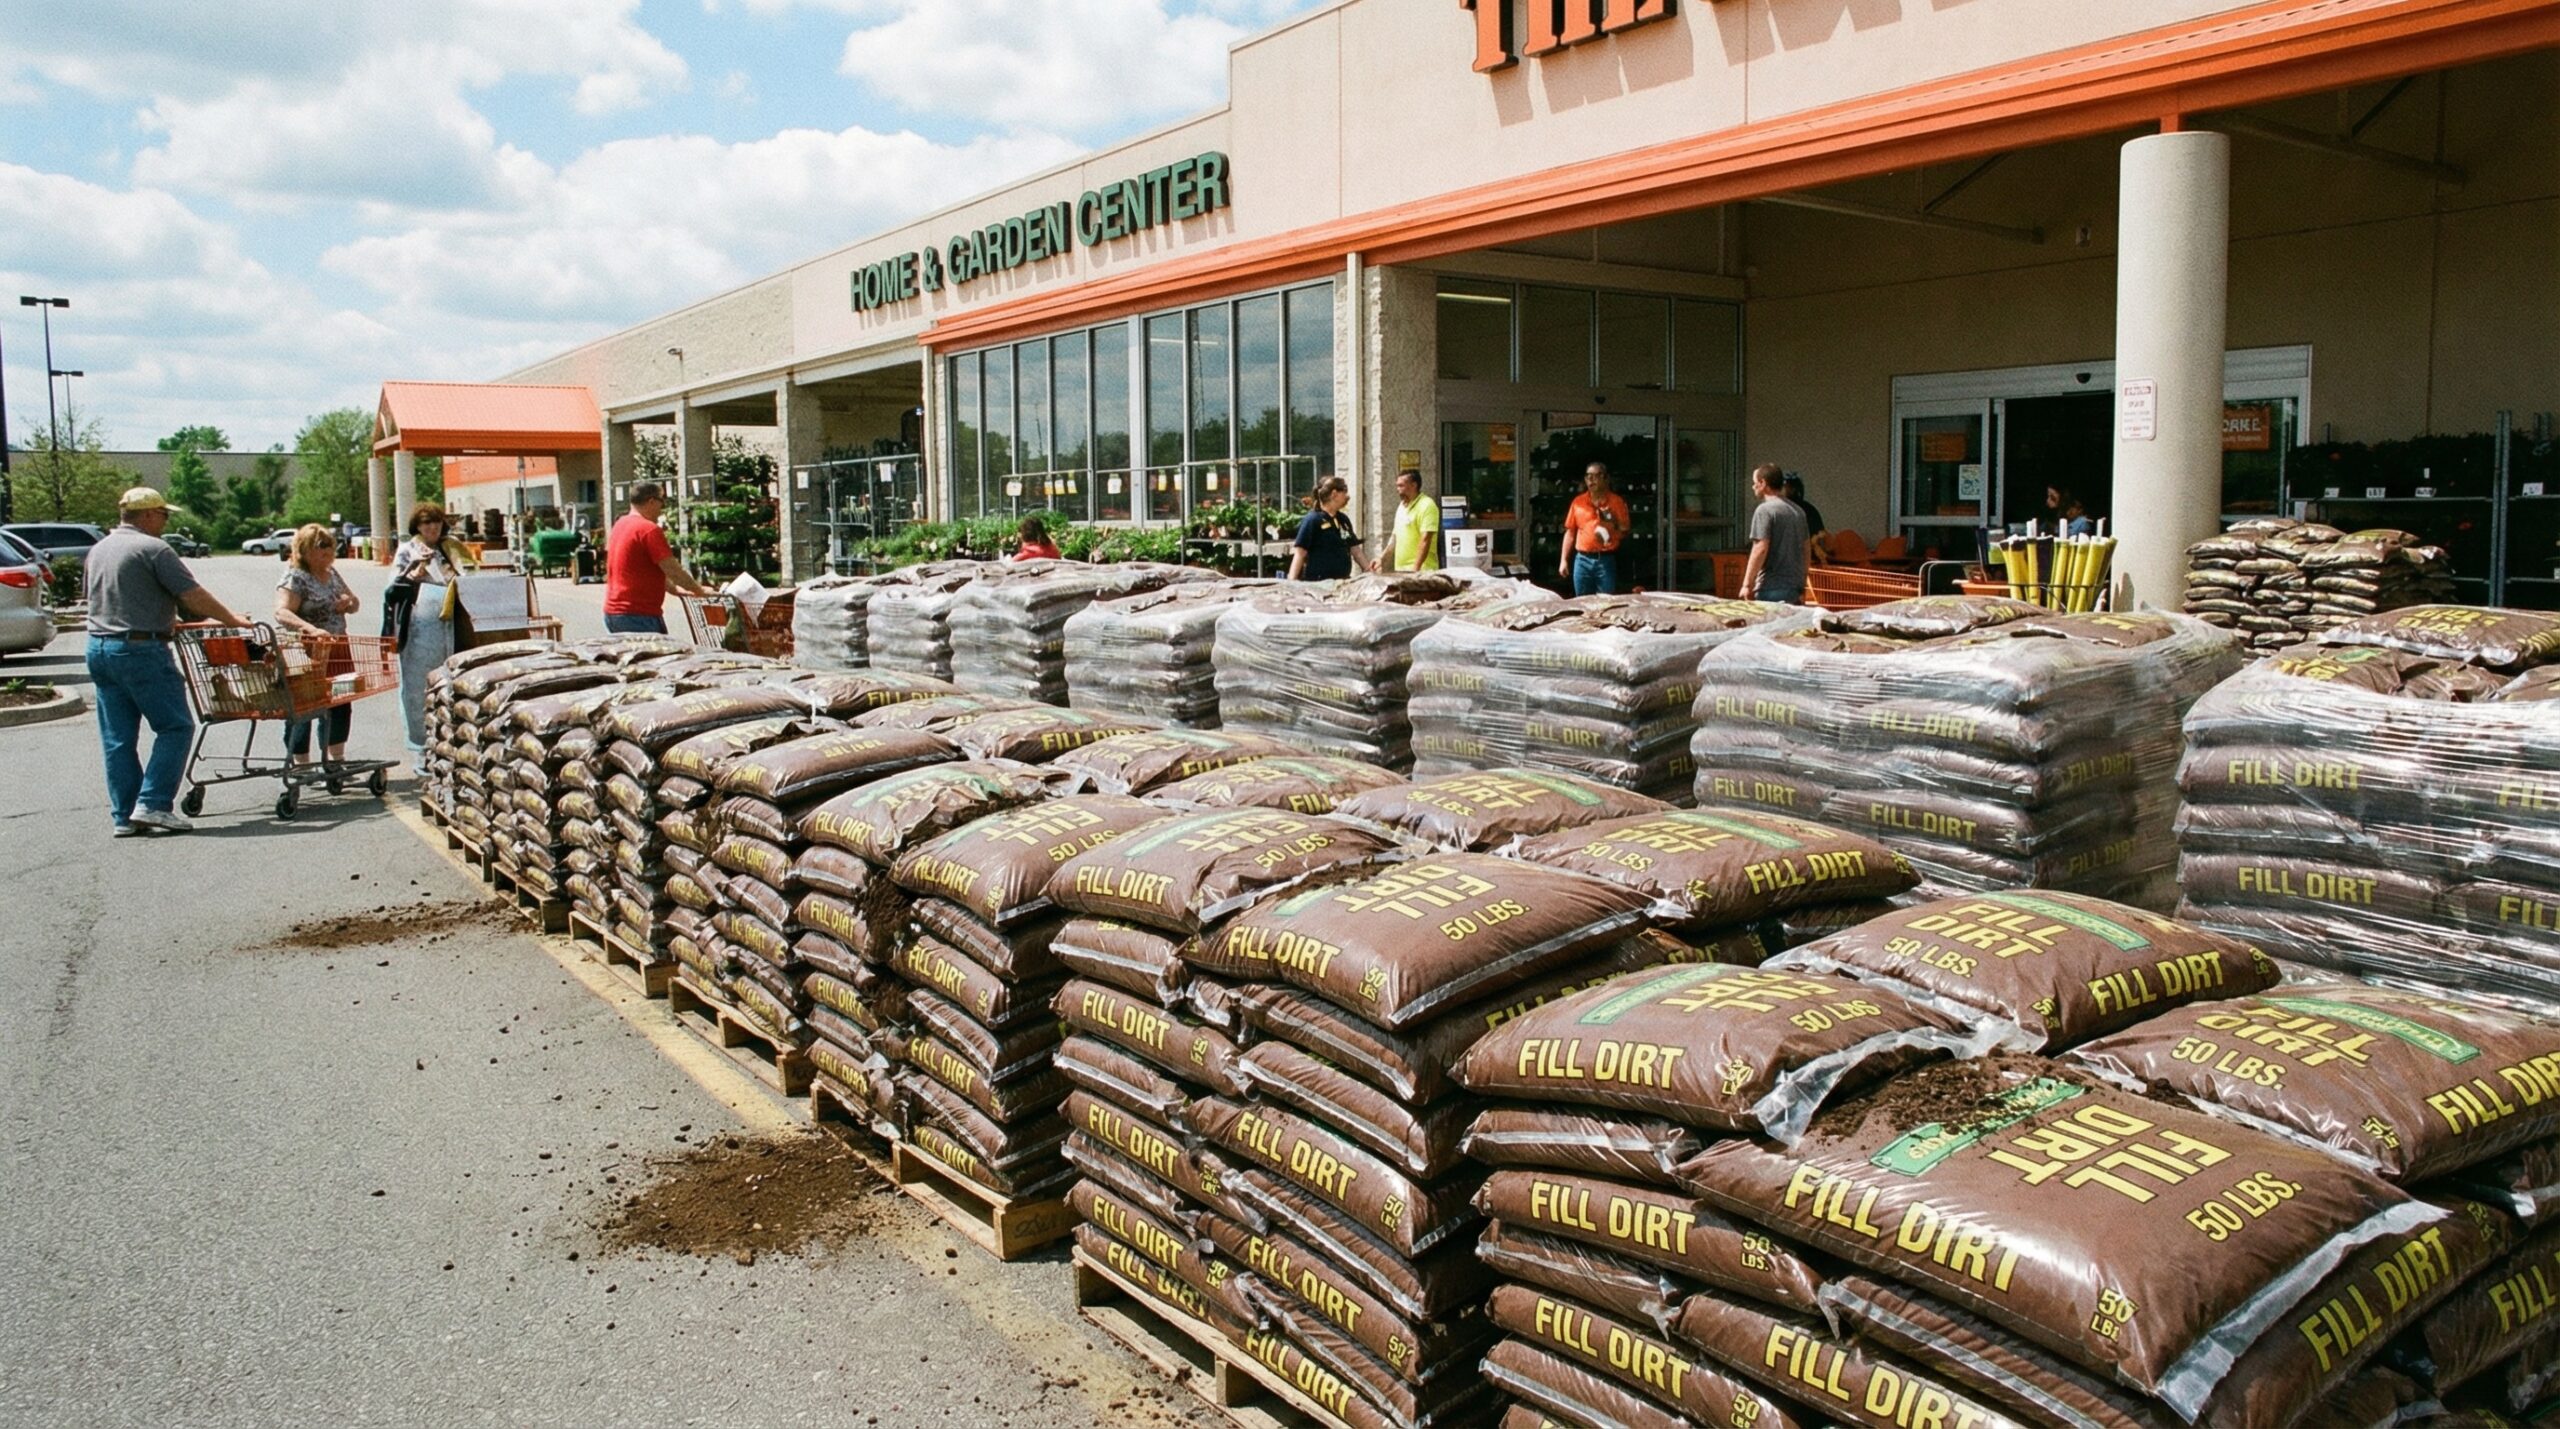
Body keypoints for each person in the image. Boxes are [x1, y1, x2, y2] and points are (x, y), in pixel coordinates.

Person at [83, 487, 248, 836]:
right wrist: (233, 619)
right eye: (163, 514)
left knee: (118, 738)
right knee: (175, 726)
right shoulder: (154, 548)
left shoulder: (99, 549)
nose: (165, 520)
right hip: (140, 649)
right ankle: (154, 803)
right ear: (147, 515)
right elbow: (192, 595)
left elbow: (115, 598)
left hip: (99, 647)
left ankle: (125, 816)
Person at [273, 523, 360, 776]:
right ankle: (303, 765)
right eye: (320, 547)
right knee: (305, 706)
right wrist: (310, 629)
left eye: (330, 546)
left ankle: (336, 760)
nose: (327, 551)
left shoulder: (332, 573)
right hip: (306, 650)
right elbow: (281, 612)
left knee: (341, 701)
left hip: (337, 647)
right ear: (304, 550)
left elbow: (355, 603)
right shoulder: (296, 577)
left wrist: (348, 603)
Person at [393, 503, 475, 768]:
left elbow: (470, 574)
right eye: (427, 522)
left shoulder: (451, 548)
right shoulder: (408, 551)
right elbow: (393, 588)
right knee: (420, 687)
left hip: (454, 625)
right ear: (417, 526)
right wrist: (413, 575)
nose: (432, 527)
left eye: (437, 522)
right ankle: (422, 747)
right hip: (420, 629)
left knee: (452, 683)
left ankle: (450, 743)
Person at [604, 482, 710, 634]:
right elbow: (672, 570)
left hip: (615, 612)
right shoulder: (648, 529)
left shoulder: (620, 524)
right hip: (638, 614)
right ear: (652, 501)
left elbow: (644, 568)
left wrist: (675, 589)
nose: (662, 508)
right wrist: (699, 590)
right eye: (662, 501)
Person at [1740, 462, 1811, 604]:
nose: (1753, 487)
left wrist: (1747, 584)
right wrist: (1803, 582)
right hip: (1794, 587)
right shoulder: (1798, 511)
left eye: (1755, 483)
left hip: (1771, 586)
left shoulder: (1765, 510)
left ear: (1763, 483)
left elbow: (1760, 548)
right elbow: (1806, 548)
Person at [1558, 462, 1632, 595]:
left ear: (1606, 478)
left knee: (1606, 601)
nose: (1591, 480)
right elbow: (1570, 532)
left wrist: (1611, 520)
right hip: (1582, 560)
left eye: (1596, 476)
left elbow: (1625, 530)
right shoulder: (1578, 502)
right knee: (1582, 601)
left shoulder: (1616, 502)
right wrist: (1563, 560)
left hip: (1605, 559)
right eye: (1588, 476)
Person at [1287, 476, 1372, 581]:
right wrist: (1292, 581)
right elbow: (1300, 553)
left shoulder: (1343, 520)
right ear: (1334, 494)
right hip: (1319, 582)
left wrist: (1369, 572)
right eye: (1344, 492)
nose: (1347, 497)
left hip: (1342, 581)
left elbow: (1355, 550)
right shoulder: (1313, 520)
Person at [1388, 468, 1440, 573]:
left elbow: (1425, 539)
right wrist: (1381, 559)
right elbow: (1394, 537)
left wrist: (1415, 569)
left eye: (1401, 486)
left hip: (1422, 572)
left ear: (1413, 485)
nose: (1398, 489)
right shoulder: (1401, 507)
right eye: (1397, 486)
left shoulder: (1427, 505)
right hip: (1401, 570)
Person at [1783, 474, 1832, 562]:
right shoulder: (1779, 508)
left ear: (1793, 489)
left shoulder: (1806, 509)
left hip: (1805, 558)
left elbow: (1819, 535)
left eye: (1783, 486)